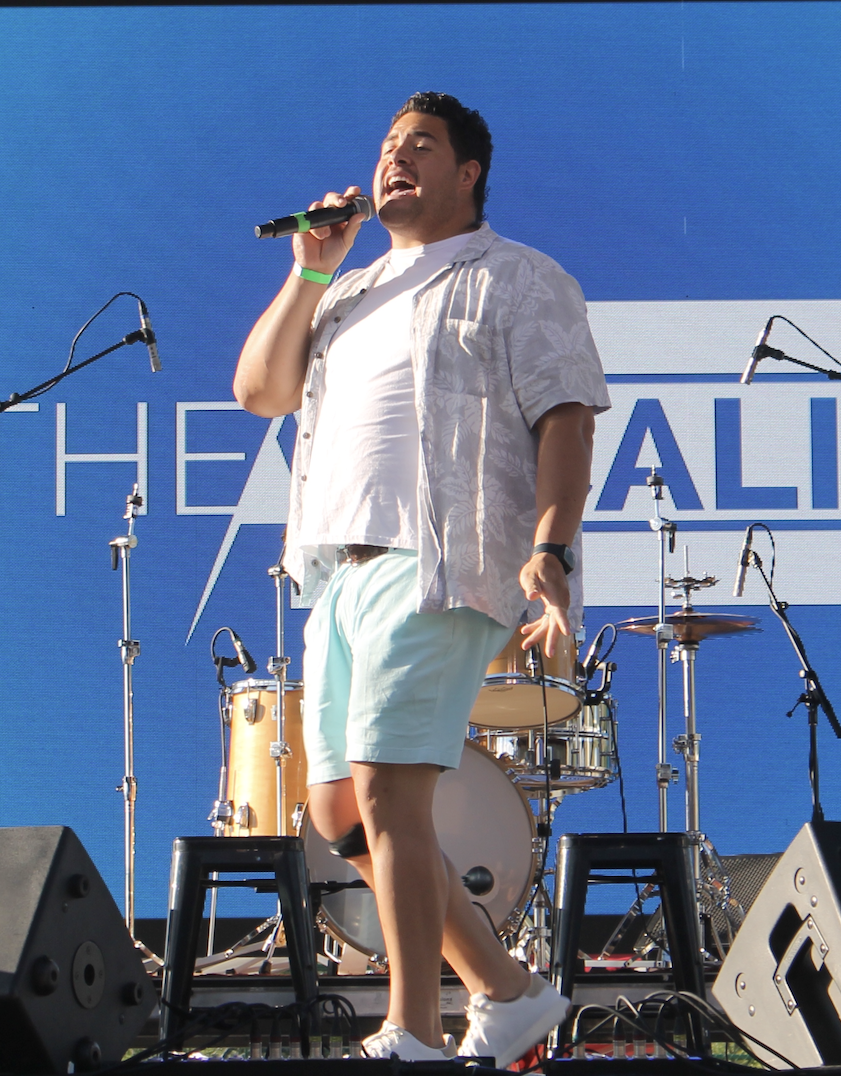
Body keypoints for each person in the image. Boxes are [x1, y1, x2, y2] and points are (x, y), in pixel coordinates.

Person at [234, 91, 610, 1065]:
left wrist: (553, 544)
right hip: (337, 570)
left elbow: (566, 417)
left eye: (421, 146)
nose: (394, 158)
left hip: (439, 563)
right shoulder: (348, 291)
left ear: (467, 172)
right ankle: (507, 991)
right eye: (387, 145)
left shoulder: (517, 277)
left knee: (388, 791)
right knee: (338, 811)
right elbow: (259, 390)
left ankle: (414, 1029)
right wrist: (311, 270)